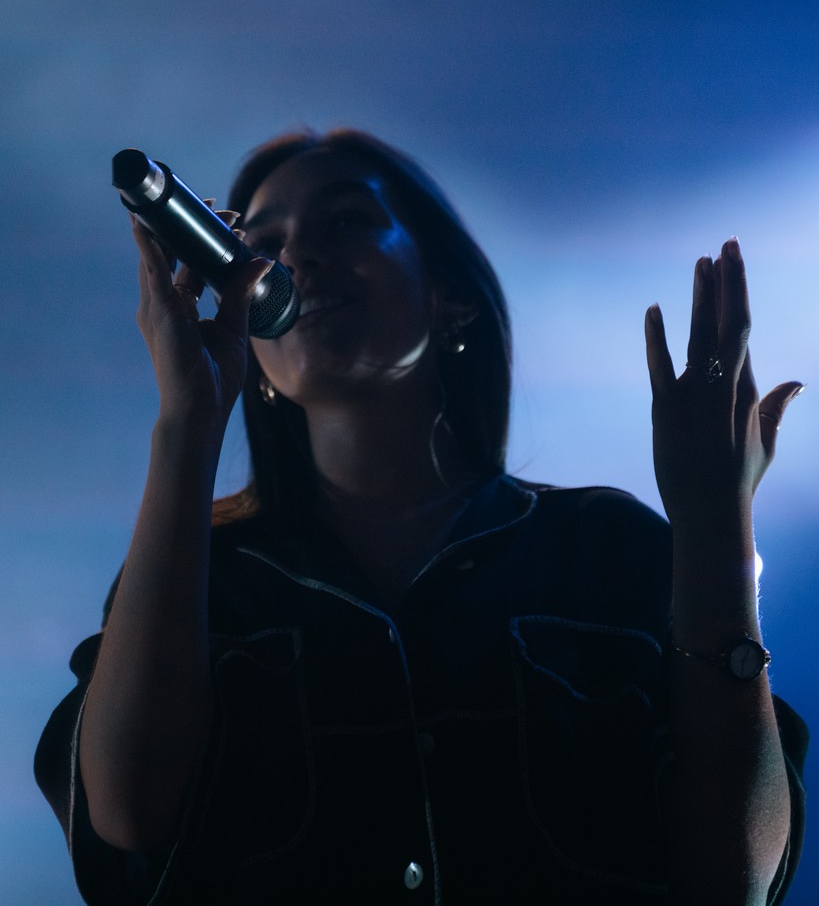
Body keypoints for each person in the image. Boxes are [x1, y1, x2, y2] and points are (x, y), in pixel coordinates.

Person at [35, 129, 808, 905]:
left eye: (346, 220)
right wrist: (187, 421)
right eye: (263, 242)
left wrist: (713, 523)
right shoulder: (199, 576)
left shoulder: (607, 551)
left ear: (450, 295)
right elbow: (128, 816)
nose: (293, 257)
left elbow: (735, 877)